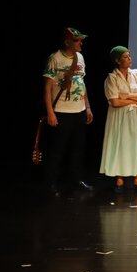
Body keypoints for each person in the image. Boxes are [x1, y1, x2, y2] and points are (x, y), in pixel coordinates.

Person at [43, 27, 94, 197]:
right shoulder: (55, 58)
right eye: (77, 40)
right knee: (58, 150)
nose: (80, 43)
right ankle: (51, 183)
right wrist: (50, 113)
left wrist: (87, 107)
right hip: (61, 111)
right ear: (67, 42)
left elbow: (82, 83)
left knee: (77, 148)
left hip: (79, 110)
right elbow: (47, 88)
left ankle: (77, 179)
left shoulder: (80, 57)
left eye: (81, 40)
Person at [99, 46, 137, 193]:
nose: (129, 59)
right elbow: (115, 102)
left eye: (129, 56)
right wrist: (134, 100)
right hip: (119, 116)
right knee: (120, 144)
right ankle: (120, 180)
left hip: (134, 115)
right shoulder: (112, 78)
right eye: (125, 57)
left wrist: (127, 96)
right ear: (118, 61)